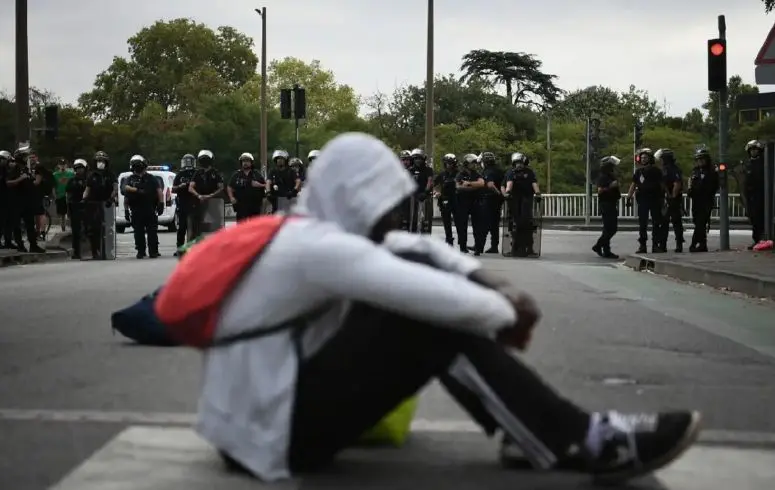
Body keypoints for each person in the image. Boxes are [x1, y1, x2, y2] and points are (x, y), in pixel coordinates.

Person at [182, 132, 701, 485]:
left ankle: (537, 430)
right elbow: (432, 295)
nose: (395, 212)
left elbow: (419, 250)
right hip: (270, 437)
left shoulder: (311, 231)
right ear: (360, 197)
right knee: (425, 322)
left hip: (255, 421)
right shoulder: (321, 249)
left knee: (432, 309)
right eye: (385, 198)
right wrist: (504, 310)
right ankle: (584, 437)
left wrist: (488, 279)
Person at [122, 155, 163, 259]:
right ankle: (141, 251)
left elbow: (159, 191)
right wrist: (126, 210)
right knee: (138, 232)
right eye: (135, 166)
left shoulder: (151, 178)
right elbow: (126, 192)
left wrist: (161, 203)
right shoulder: (130, 179)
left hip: (150, 208)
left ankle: (153, 251)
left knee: (152, 231)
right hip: (136, 209)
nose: (138, 168)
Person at [626, 149, 666, 254]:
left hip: (655, 199)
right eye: (642, 158)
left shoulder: (656, 171)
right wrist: (629, 197)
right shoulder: (638, 172)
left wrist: (665, 196)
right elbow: (633, 184)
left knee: (656, 223)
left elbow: (662, 185)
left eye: (645, 157)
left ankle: (655, 245)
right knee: (642, 224)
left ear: (650, 158)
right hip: (642, 200)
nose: (643, 159)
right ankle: (642, 245)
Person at [5, 147, 44, 253]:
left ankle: (33, 245)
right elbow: (8, 183)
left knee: (30, 224)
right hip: (17, 201)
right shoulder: (15, 168)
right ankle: (20, 245)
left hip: (27, 201)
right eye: (25, 156)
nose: (27, 158)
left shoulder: (25, 168)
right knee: (17, 225)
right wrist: (20, 179)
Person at [503, 153, 540, 257]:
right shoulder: (511, 172)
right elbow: (509, 184)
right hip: (514, 200)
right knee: (514, 223)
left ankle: (530, 248)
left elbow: (534, 184)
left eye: (520, 163)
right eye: (517, 163)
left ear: (524, 163)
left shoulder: (529, 172)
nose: (519, 165)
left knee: (528, 223)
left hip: (526, 200)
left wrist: (537, 193)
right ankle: (514, 246)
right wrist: (508, 192)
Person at [83, 150, 118, 259]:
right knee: (94, 229)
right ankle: (95, 251)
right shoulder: (91, 175)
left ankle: (109, 251)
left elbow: (115, 188)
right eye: (98, 161)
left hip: (107, 204)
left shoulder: (110, 174)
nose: (100, 163)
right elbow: (87, 189)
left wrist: (111, 198)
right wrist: (84, 199)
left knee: (108, 229)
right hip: (94, 204)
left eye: (102, 161)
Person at [687, 148, 719, 253]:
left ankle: (694, 243)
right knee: (697, 222)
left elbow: (714, 185)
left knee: (701, 222)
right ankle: (703, 244)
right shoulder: (695, 171)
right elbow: (691, 182)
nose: (700, 161)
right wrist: (690, 190)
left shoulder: (712, 170)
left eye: (702, 159)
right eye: (698, 159)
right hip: (696, 200)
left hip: (706, 200)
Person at [188, 149, 225, 238]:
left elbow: (221, 187)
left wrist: (210, 196)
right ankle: (195, 246)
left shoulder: (215, 173)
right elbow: (190, 187)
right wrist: (199, 196)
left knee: (217, 226)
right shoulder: (198, 173)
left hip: (213, 202)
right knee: (196, 226)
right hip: (199, 202)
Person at [455, 153, 486, 255]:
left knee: (478, 226)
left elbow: (481, 183)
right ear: (467, 163)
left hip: (475, 202)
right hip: (463, 202)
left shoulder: (477, 174)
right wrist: (474, 187)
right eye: (472, 163)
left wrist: (468, 184)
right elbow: (458, 187)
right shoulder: (461, 174)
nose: (475, 165)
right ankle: (463, 247)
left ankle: (477, 248)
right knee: (462, 225)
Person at [592, 156, 621, 259]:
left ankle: (606, 250)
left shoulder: (610, 175)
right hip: (606, 204)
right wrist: (610, 186)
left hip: (611, 203)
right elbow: (600, 190)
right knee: (611, 228)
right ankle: (598, 245)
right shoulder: (603, 177)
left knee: (607, 229)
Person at [656, 148, 684, 252]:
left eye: (662, 159)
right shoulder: (666, 169)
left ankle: (678, 244)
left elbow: (677, 184)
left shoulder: (672, 169)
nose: (661, 161)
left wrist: (672, 197)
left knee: (674, 222)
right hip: (668, 199)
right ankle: (664, 245)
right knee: (666, 222)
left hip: (673, 199)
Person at [227, 153, 266, 222]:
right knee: (241, 227)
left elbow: (266, 186)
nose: (245, 163)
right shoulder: (237, 175)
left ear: (251, 162)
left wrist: (259, 185)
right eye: (243, 161)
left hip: (254, 205)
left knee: (254, 226)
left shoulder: (257, 174)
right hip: (241, 205)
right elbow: (229, 186)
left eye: (247, 161)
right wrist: (231, 197)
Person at [403, 148, 433, 233]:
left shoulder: (428, 169)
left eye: (419, 158)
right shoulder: (410, 170)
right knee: (412, 220)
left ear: (423, 159)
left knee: (425, 221)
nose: (418, 161)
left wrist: (426, 192)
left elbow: (430, 181)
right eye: (415, 158)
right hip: (413, 198)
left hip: (425, 197)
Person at [480, 152, 505, 254]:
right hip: (497, 200)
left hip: (489, 199)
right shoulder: (499, 170)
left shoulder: (488, 171)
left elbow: (490, 185)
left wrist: (497, 192)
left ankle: (480, 245)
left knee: (484, 223)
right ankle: (494, 246)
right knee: (494, 224)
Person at [743, 140, 765, 249]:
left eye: (755, 149)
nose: (753, 152)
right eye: (751, 150)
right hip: (751, 196)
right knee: (753, 218)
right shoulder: (748, 164)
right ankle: (756, 239)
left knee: (760, 218)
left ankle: (761, 239)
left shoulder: (763, 163)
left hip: (761, 194)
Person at [172, 153, 196, 253]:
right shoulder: (180, 175)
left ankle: (193, 248)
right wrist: (180, 186)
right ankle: (180, 248)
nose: (188, 163)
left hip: (194, 204)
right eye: (186, 161)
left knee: (194, 228)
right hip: (182, 204)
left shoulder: (197, 173)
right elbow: (173, 189)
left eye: (190, 161)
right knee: (182, 228)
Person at [65, 159, 88, 259]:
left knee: (88, 230)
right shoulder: (71, 181)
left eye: (81, 168)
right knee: (76, 232)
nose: (79, 171)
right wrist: (68, 210)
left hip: (87, 207)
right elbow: (68, 195)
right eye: (77, 169)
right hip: (75, 207)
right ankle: (76, 252)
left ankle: (91, 250)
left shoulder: (88, 180)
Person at [433, 153, 458, 245]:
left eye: (451, 163)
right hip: (444, 200)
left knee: (459, 221)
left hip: (456, 200)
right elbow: (434, 185)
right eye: (447, 163)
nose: (449, 165)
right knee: (446, 222)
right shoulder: (442, 174)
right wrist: (436, 192)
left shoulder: (458, 173)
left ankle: (462, 242)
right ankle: (449, 239)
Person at [53, 159, 74, 232]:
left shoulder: (71, 173)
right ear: (58, 165)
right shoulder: (55, 175)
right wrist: (55, 196)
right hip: (60, 195)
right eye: (61, 164)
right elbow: (53, 186)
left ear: (66, 165)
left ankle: (73, 228)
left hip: (70, 195)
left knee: (71, 213)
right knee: (62, 214)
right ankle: (63, 228)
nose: (62, 166)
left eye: (64, 164)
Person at [0, 150, 14, 248]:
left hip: (7, 198)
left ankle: (8, 241)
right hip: (2, 199)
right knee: (2, 221)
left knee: (8, 221)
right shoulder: (2, 169)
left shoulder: (5, 169)